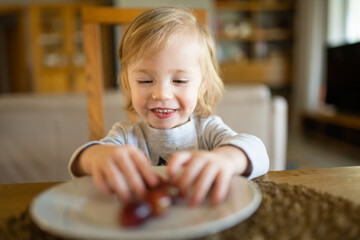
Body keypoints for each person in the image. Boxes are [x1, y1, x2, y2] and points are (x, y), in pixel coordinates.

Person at [69, 6, 269, 206]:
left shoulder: (207, 130)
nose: (162, 94)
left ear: (201, 88)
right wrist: (96, 157)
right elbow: (79, 164)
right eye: (145, 81)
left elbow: (259, 152)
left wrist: (226, 160)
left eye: (180, 81)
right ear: (128, 85)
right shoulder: (126, 135)